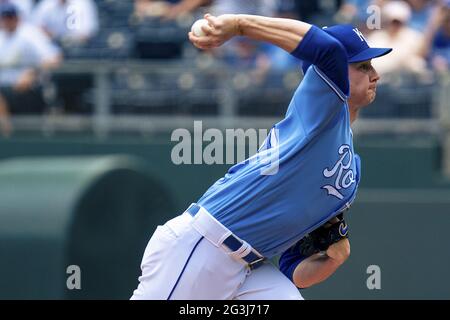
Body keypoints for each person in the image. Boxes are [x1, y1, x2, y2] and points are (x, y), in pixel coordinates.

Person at [131, 13, 391, 300]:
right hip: (203, 247)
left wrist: (332, 258)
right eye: (363, 66)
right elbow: (327, 50)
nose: (374, 74)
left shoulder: (350, 172)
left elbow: (293, 270)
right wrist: (240, 26)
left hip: (249, 269)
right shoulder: (321, 107)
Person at [0, 3, 62, 136]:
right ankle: (6, 133)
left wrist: (32, 73)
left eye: (10, 16)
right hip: (5, 89)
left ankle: (7, 135)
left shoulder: (29, 33)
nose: (7, 20)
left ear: (17, 17)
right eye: (4, 17)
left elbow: (55, 58)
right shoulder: (1, 36)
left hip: (28, 89)